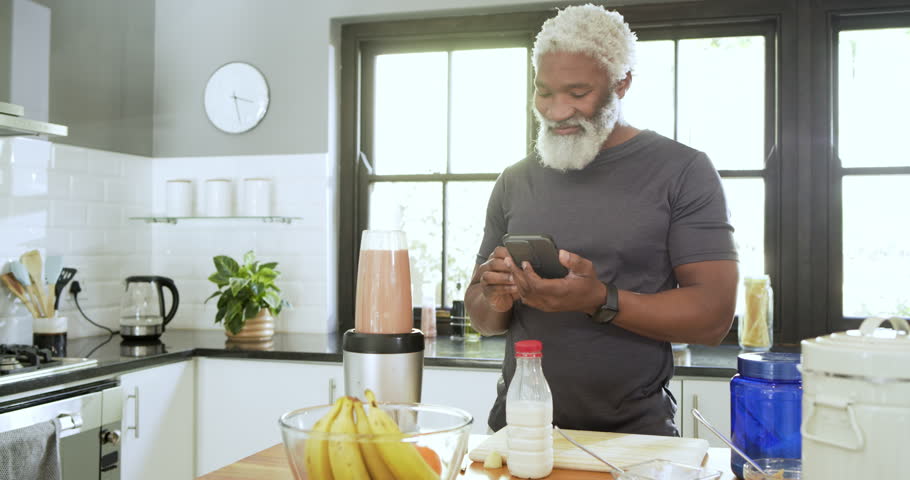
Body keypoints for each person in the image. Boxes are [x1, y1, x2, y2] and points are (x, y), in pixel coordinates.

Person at [466, 4, 739, 436]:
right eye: (544, 91)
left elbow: (713, 318)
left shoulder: (682, 171)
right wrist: (494, 296)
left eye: (577, 94)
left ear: (622, 83)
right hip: (518, 432)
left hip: (636, 440)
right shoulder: (514, 180)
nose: (556, 111)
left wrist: (599, 299)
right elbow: (483, 318)